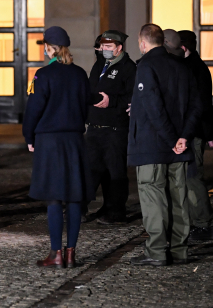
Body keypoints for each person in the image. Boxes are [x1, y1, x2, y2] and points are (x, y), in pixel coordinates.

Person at [128, 24, 202, 266]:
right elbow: (196, 106)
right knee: (178, 198)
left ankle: (157, 251)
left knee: (153, 196)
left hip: (154, 145)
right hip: (179, 146)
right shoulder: (182, 67)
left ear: (142, 42)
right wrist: (183, 137)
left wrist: (172, 139)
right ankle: (179, 250)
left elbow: (153, 107)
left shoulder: (146, 66)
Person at [23, 26, 92, 269]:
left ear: (50, 47)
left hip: (50, 142)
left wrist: (28, 136)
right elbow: (86, 109)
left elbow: (33, 111)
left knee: (54, 198)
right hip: (74, 141)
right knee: (74, 198)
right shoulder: (80, 74)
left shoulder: (43, 74)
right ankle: (71, 253)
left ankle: (56, 254)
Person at [84, 30, 137, 225]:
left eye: (108, 47)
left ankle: (115, 211)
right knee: (91, 169)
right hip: (95, 127)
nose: (104, 50)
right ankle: (82, 208)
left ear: (119, 48)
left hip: (115, 128)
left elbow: (133, 98)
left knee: (115, 172)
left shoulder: (129, 68)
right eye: (102, 47)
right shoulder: (99, 64)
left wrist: (111, 101)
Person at [178, 30, 213, 241]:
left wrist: (208, 134)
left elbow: (203, 107)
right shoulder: (194, 67)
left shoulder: (193, 69)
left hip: (192, 134)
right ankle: (198, 223)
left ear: (183, 48)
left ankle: (204, 224)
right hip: (193, 132)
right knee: (189, 180)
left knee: (193, 180)